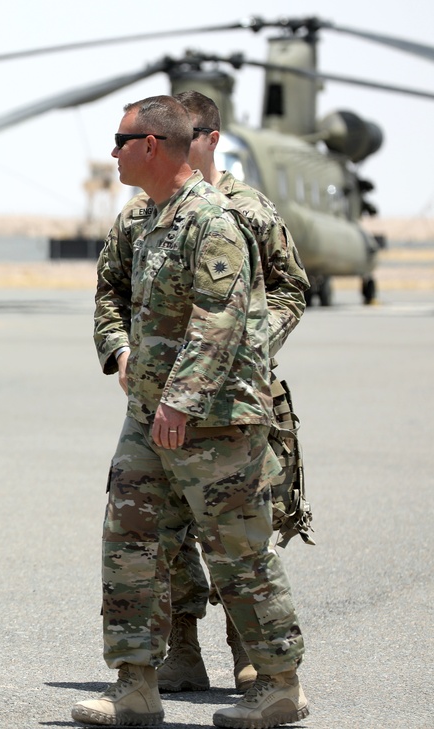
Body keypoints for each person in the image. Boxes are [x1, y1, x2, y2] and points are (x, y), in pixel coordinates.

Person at [72, 96, 308, 728]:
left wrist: (182, 397)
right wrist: (123, 355)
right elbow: (112, 296)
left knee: (238, 548)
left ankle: (279, 681)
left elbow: (221, 318)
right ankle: (137, 683)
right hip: (149, 416)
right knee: (129, 540)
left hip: (215, 417)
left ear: (152, 145)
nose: (113, 150)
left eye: (121, 139)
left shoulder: (214, 218)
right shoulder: (147, 218)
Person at [148, 90, 311, 696]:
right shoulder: (157, 209)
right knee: (165, 533)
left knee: (239, 531)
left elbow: (293, 287)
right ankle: (182, 650)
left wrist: (250, 345)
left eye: (182, 138)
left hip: (241, 400)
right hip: (166, 399)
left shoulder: (247, 210)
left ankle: (250, 654)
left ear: (209, 139)